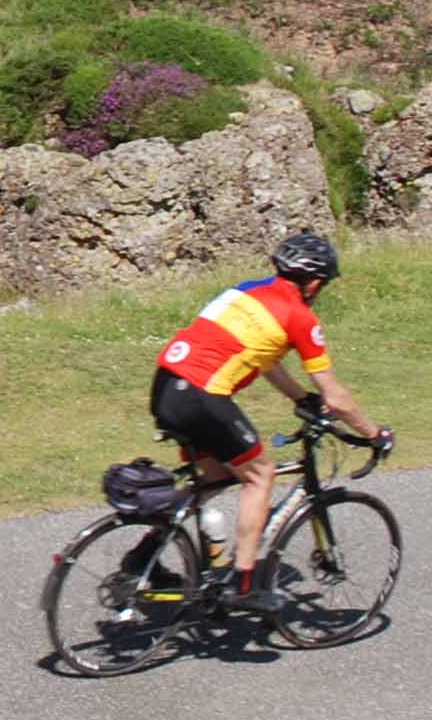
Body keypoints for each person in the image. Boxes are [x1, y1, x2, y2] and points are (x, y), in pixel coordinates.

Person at [142, 231, 391, 610]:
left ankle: (143, 559)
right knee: (261, 475)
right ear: (315, 283)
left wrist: (300, 398)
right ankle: (245, 586)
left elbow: (265, 358)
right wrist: (374, 434)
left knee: (211, 479)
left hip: (166, 385)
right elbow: (336, 397)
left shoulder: (246, 291)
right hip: (201, 394)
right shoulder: (301, 317)